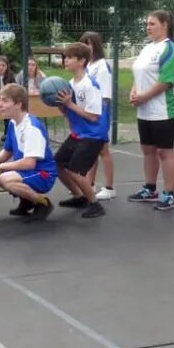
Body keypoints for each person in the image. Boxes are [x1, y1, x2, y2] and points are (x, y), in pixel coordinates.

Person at [127, 11, 174, 210]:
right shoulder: (147, 48)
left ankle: (169, 194)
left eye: (152, 23)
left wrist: (144, 96)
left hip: (163, 110)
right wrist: (134, 92)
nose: (148, 27)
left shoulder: (170, 49)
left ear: (165, 24)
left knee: (164, 152)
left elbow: (166, 81)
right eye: (147, 24)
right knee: (148, 150)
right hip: (145, 110)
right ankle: (150, 189)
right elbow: (139, 74)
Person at [50, 42, 107, 218]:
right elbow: (68, 113)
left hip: (93, 135)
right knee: (56, 164)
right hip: (77, 134)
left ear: (81, 61)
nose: (65, 60)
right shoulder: (68, 84)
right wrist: (61, 106)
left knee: (75, 170)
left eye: (70, 58)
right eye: (65, 57)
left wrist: (69, 104)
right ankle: (79, 196)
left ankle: (95, 204)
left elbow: (93, 117)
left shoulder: (90, 85)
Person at [0, 83, 57, 221]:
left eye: (5, 100)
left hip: (42, 173)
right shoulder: (14, 123)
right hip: (27, 171)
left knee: (4, 177)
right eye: (0, 100)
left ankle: (42, 203)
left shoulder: (31, 128)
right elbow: (8, 150)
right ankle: (27, 199)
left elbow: (29, 163)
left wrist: (1, 167)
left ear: (18, 104)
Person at [78, 31, 117, 201]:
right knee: (91, 151)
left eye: (89, 43)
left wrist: (100, 119)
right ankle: (90, 184)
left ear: (96, 46)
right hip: (88, 114)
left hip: (99, 114)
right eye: (83, 43)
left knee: (103, 150)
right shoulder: (87, 67)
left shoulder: (102, 66)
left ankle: (109, 187)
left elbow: (105, 96)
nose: (86, 47)